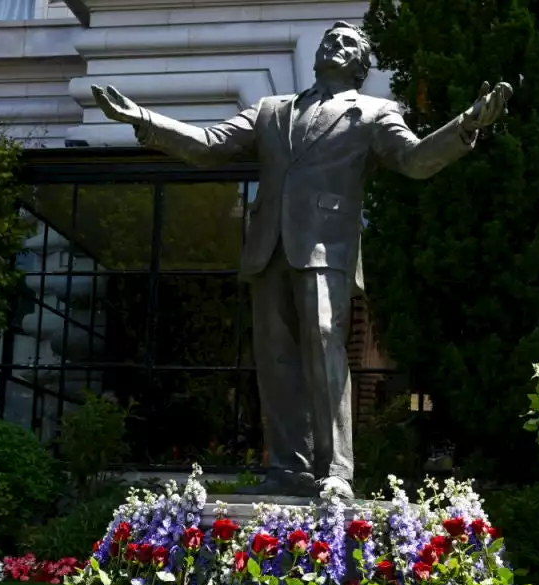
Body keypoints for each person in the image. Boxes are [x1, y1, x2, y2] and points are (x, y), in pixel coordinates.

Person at [91, 22, 512, 499]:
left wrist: (466, 125)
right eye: (330, 38)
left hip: (325, 248)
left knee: (325, 340)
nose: (335, 43)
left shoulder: (373, 112)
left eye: (348, 42)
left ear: (361, 64)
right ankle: (288, 468)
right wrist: (145, 119)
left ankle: (338, 468)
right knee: (275, 360)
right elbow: (210, 147)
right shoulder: (273, 110)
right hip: (268, 247)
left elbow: (414, 160)